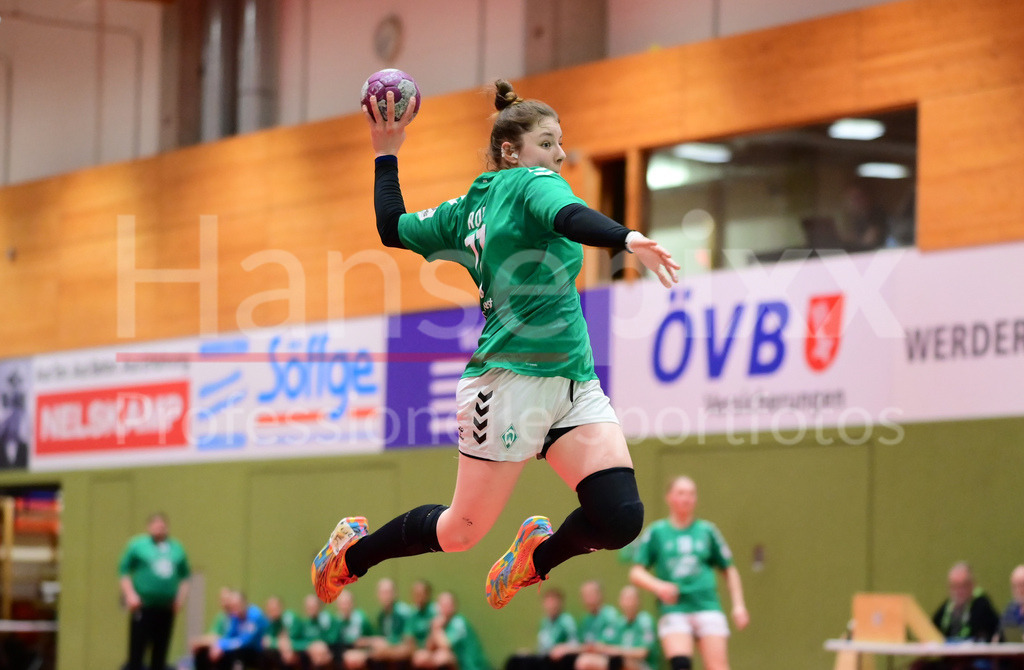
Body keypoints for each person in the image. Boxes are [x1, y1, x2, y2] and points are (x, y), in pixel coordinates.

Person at [312, 79, 679, 612]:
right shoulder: (531, 182)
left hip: (571, 382)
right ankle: (349, 557)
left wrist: (385, 155)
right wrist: (624, 238)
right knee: (460, 531)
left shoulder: (467, 209)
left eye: (560, 142)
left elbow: (392, 226)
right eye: (548, 141)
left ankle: (532, 561)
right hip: (505, 383)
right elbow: (568, 217)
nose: (560, 153)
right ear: (512, 151)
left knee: (619, 516)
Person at [629, 476, 749, 670]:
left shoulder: (707, 531)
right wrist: (659, 586)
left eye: (691, 494)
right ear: (669, 497)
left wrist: (738, 605)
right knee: (681, 664)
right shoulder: (658, 532)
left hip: (706, 604)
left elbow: (729, 569)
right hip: (675, 608)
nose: (687, 498)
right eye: (681, 493)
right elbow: (636, 572)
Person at [118, 512, 191, 670]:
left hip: (165, 608)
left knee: (161, 652)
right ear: (149, 527)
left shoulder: (176, 548)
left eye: (162, 525)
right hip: (143, 606)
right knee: (137, 653)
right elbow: (123, 571)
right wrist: (130, 595)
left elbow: (185, 577)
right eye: (156, 525)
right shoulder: (138, 545)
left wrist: (180, 599)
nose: (159, 528)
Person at [575, 586, 658, 670]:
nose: (628, 603)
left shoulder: (645, 621)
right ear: (620, 602)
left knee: (623, 661)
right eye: (625, 599)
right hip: (619, 660)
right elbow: (603, 645)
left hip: (643, 665)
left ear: (638, 601)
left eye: (631, 599)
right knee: (585, 661)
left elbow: (643, 653)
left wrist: (617, 651)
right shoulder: (619, 623)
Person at [343, 578, 415, 670]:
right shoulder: (381, 615)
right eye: (382, 592)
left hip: (404, 655)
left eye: (388, 592)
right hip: (387, 654)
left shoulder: (404, 612)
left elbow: (409, 647)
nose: (385, 596)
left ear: (395, 593)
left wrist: (377, 648)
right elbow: (380, 640)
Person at [412, 591, 490, 670]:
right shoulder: (441, 622)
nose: (443, 608)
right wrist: (433, 629)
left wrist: (436, 629)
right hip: (456, 664)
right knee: (421, 656)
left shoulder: (459, 622)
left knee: (442, 657)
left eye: (447, 604)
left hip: (471, 666)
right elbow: (428, 648)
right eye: (441, 604)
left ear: (454, 606)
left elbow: (446, 647)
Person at [505, 587, 578, 670]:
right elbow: (542, 647)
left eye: (553, 602)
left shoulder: (566, 620)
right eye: (548, 602)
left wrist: (563, 649)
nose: (551, 606)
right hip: (543, 658)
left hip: (557, 660)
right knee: (515, 660)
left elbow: (574, 644)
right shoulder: (544, 622)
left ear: (560, 603)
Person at [195, 591, 268, 670]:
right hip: (239, 648)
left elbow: (245, 641)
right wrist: (218, 645)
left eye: (236, 605)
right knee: (205, 652)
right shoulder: (234, 616)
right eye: (232, 606)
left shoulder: (255, 615)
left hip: (255, 651)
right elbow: (229, 635)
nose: (234, 609)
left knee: (236, 653)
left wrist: (222, 646)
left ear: (244, 603)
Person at [283, 594, 336, 669]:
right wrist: (309, 646)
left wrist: (320, 646)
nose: (312, 609)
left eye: (314, 606)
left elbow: (332, 640)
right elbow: (293, 642)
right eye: (309, 607)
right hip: (306, 655)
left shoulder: (327, 621)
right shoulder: (302, 623)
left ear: (319, 607)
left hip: (325, 653)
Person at [408, 580, 439, 651]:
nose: (418, 597)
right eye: (415, 594)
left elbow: (435, 640)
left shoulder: (436, 612)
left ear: (428, 594)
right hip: (415, 651)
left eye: (420, 594)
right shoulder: (412, 613)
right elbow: (408, 637)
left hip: (431, 651)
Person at [1001, 565, 1024, 641]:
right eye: (1015, 586)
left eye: (1021, 585)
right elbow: (1001, 629)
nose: (1019, 590)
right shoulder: (1011, 607)